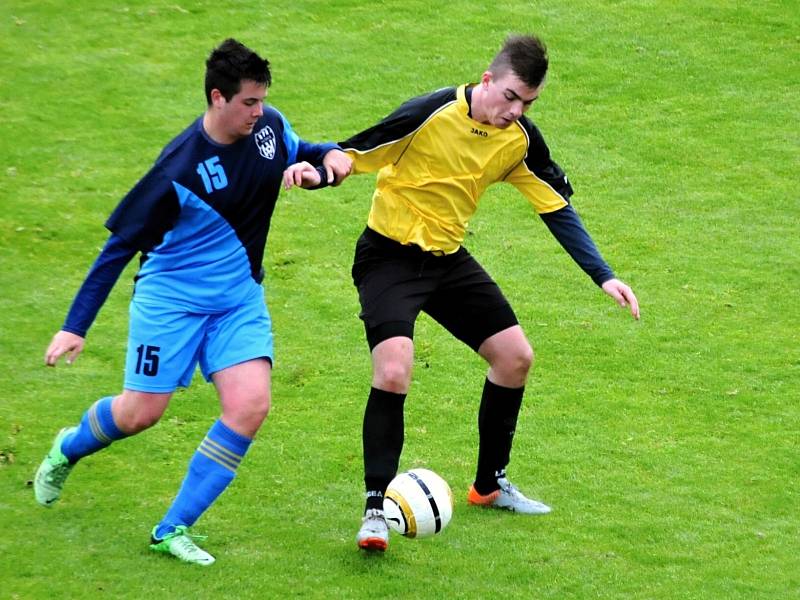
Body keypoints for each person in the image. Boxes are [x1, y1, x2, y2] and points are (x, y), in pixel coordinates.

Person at [34, 38, 352, 566]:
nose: (259, 111)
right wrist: (75, 326)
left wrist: (329, 161)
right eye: (248, 102)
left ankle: (172, 528)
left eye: (262, 99)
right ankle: (67, 448)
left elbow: (309, 153)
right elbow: (118, 248)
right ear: (217, 97)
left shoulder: (269, 126)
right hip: (171, 303)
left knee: (250, 405)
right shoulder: (177, 170)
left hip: (237, 299)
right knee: (140, 414)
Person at [338, 34, 640, 552]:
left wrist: (603, 274)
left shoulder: (519, 139)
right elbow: (356, 152)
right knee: (393, 370)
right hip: (387, 257)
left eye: (528, 103)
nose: (516, 110)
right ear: (486, 80)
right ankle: (374, 510)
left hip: (447, 260)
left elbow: (556, 207)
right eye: (510, 96)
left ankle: (488, 486)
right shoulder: (430, 113)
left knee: (515, 357)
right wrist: (319, 170)